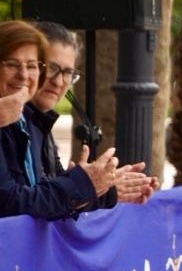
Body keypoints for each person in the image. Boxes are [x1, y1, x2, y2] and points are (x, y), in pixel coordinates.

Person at [28, 21, 157, 207]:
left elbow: (54, 199)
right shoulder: (12, 122)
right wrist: (89, 187)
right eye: (52, 68)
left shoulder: (40, 122)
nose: (59, 82)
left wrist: (106, 187)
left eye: (68, 72)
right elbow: (18, 202)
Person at [0, 20, 117, 219]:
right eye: (12, 64)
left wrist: (104, 187)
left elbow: (43, 197)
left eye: (32, 65)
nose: (23, 75)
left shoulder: (32, 122)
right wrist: (81, 184)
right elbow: (10, 202)